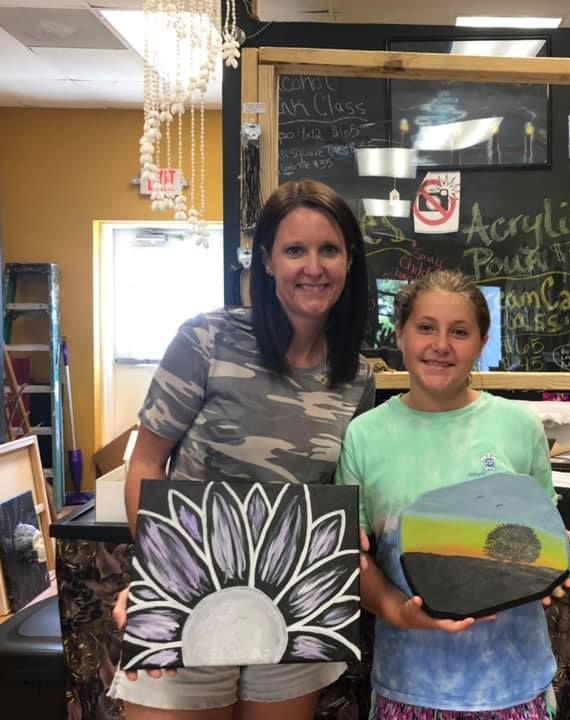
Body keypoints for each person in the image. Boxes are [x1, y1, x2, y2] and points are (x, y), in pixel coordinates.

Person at [110, 178, 375, 720]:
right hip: (189, 593)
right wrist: (158, 576)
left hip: (293, 608)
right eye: (295, 250)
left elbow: (343, 491)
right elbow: (146, 462)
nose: (314, 267)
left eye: (329, 250)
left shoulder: (357, 375)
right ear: (268, 261)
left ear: (349, 262)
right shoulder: (204, 340)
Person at [336, 270, 570, 720]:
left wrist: (556, 561)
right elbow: (356, 556)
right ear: (401, 334)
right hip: (410, 685)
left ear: (482, 342)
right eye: (426, 327)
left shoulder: (519, 428)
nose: (441, 345)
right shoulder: (364, 436)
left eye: (459, 332)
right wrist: (399, 611)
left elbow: (544, 532)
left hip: (514, 681)